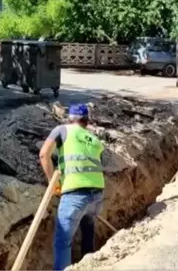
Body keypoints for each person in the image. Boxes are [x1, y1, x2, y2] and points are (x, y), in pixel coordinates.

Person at [39, 103, 105, 271]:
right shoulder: (95, 139)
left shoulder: (62, 130)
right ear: (86, 121)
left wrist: (52, 184)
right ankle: (88, 265)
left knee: (62, 242)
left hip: (75, 194)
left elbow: (44, 154)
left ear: (70, 118)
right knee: (88, 229)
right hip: (97, 194)